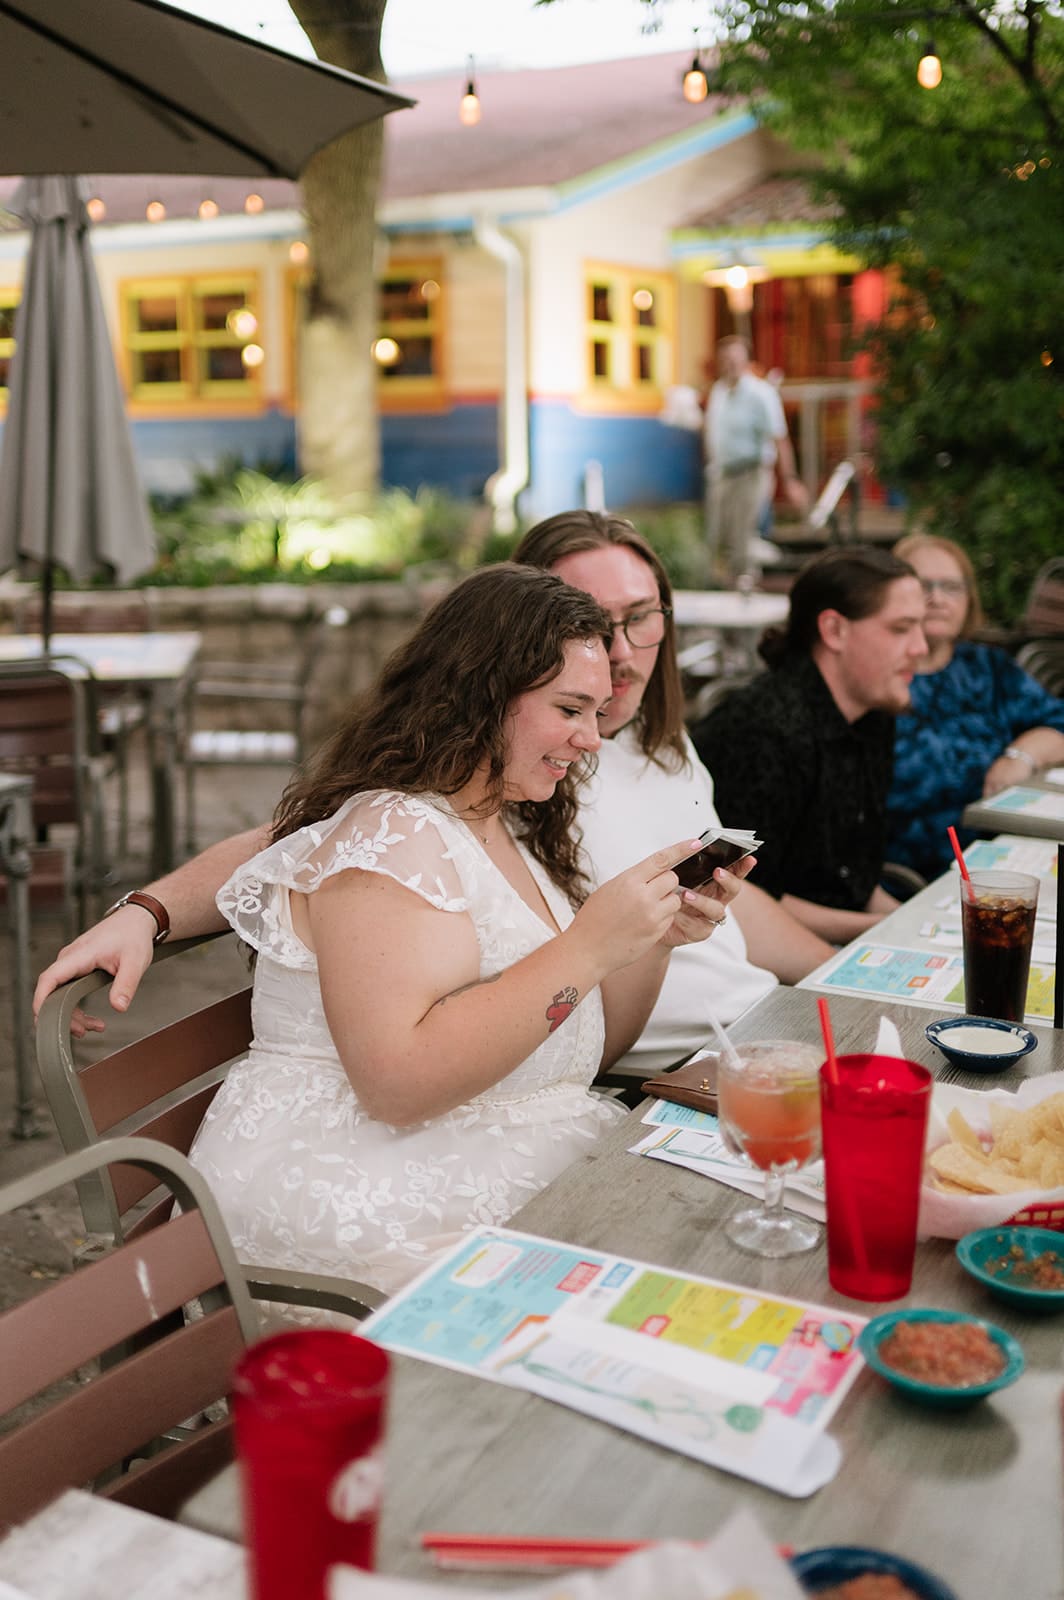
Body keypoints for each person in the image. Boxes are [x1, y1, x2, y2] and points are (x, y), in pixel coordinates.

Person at [141, 566, 739, 1299]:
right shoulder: (392, 835)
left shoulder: (507, 819)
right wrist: (586, 947)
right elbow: (396, 1085)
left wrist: (650, 939)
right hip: (357, 1202)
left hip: (477, 1162)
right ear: (485, 696)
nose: (590, 739)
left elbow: (570, 1047)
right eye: (570, 709)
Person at [35, 516, 833, 1061]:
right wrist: (149, 910)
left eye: (640, 618)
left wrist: (837, 963)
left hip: (729, 1030)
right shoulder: (516, 768)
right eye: (590, 621)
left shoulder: (662, 748)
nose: (619, 650)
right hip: (624, 1069)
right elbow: (317, 837)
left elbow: (725, 900)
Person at [692, 546, 929, 944]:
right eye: (901, 629)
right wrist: (895, 929)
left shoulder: (873, 713)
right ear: (835, 630)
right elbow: (747, 896)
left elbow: (854, 876)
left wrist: (926, 925)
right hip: (763, 956)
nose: (921, 647)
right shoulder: (762, 731)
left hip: (844, 938)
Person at [887, 534, 1064, 879]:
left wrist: (1019, 756)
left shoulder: (987, 668)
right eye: (924, 585)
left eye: (951, 587)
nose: (937, 598)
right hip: (904, 872)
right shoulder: (879, 679)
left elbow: (1058, 724)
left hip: (998, 859)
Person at [703, 337, 806, 582]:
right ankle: (721, 583)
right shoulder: (719, 391)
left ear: (746, 361)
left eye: (735, 359)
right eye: (726, 359)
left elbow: (780, 437)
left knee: (742, 533)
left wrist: (790, 479)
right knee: (716, 533)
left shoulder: (761, 393)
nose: (730, 364)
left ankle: (745, 581)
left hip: (751, 472)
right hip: (722, 472)